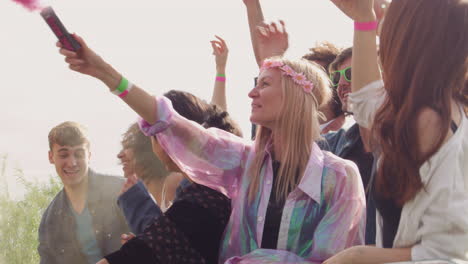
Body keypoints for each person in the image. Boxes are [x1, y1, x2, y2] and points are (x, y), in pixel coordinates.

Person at [57, 19, 366, 263]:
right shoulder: (244, 162)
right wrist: (104, 72)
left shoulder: (339, 178)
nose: (251, 93)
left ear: (296, 96)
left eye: (264, 84)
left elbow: (333, 260)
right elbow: (172, 123)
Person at [324, 0, 468, 263]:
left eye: (391, 14)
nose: (385, 13)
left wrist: (356, 257)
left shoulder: (432, 121)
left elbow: (446, 256)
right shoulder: (421, 111)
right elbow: (367, 102)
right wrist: (363, 20)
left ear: (407, 34)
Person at [103, 90, 243, 264]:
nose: (120, 156)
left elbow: (175, 236)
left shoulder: (190, 189)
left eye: (153, 136)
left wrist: (146, 245)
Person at [38, 121, 130, 264]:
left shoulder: (121, 190)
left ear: (89, 155)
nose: (72, 162)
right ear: (51, 157)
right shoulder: (50, 220)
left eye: (79, 154)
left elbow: (154, 242)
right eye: (64, 155)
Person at [322, 47, 376, 244]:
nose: (341, 84)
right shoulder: (331, 145)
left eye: (351, 74)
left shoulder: (414, 142)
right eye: (336, 79)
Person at [116, 122, 172, 235]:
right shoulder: (153, 192)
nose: (119, 155)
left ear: (145, 149)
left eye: (127, 147)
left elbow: (170, 239)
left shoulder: (173, 181)